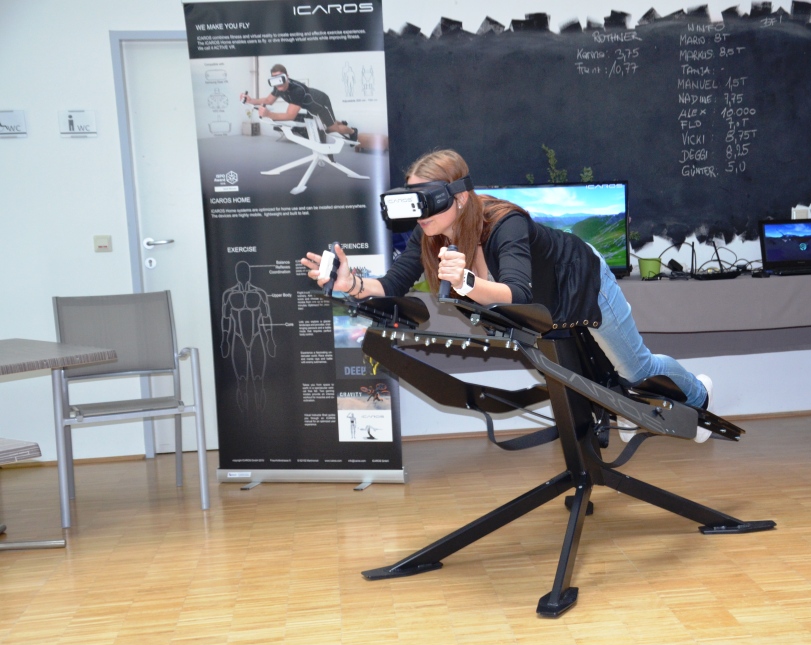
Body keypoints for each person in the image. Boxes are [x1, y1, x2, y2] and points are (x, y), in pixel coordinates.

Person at [300, 149, 715, 442]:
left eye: (426, 201)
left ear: (459, 198)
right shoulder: (428, 234)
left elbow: (516, 291)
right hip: (544, 310)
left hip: (582, 282)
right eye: (412, 203)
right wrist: (351, 284)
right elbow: (391, 286)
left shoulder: (504, 223)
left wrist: (466, 283)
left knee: (635, 369)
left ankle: (700, 394)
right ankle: (618, 409)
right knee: (577, 378)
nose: (419, 215)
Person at [240, 64, 357, 141]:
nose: (278, 82)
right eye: (274, 79)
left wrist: (268, 114)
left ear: (287, 77)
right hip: (310, 107)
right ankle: (340, 122)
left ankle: (352, 131)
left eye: (280, 78)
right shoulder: (278, 86)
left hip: (321, 103)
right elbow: (268, 100)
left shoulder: (297, 90)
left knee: (332, 129)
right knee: (326, 122)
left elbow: (290, 116)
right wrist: (251, 100)